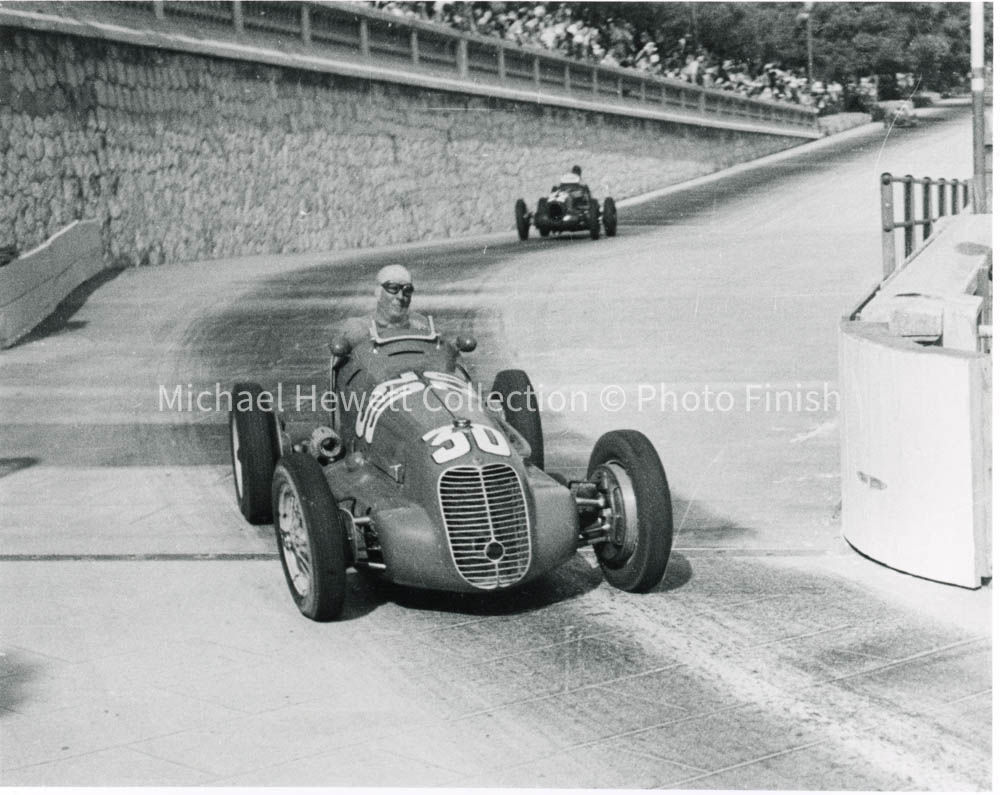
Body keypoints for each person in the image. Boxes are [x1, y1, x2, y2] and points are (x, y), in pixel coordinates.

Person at [332, 264, 430, 351]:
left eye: (407, 290)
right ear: (378, 293)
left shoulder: (420, 324)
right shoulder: (358, 327)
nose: (400, 296)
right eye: (393, 288)